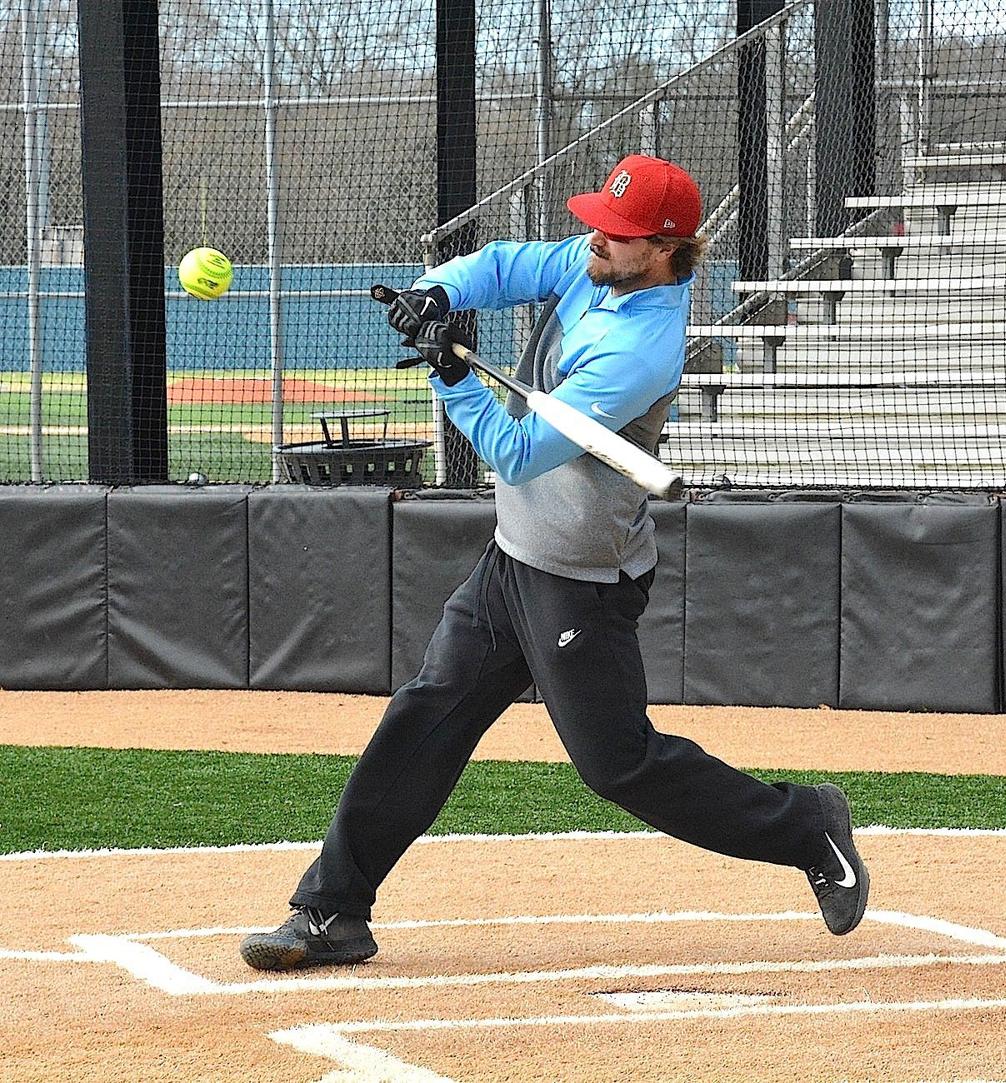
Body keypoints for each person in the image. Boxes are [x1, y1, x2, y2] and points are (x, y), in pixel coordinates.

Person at [239, 154, 869, 972]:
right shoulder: (598, 264)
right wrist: (442, 293)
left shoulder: (638, 350)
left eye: (620, 232)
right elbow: (505, 265)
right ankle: (331, 911)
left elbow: (516, 449)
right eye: (599, 222)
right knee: (426, 714)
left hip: (581, 577)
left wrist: (452, 375)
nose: (594, 238)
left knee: (619, 764)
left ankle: (806, 824)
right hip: (513, 558)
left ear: (667, 248)